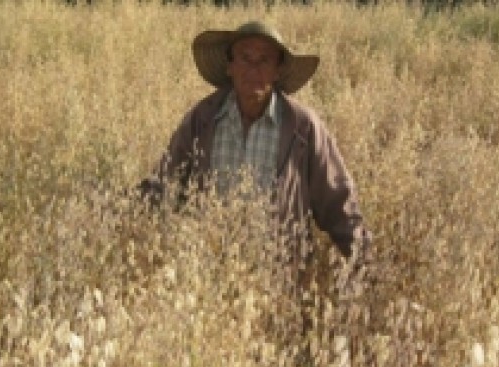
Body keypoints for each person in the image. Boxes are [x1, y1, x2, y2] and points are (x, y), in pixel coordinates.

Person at [140, 21, 371, 278]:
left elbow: (337, 201)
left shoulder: (303, 128)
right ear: (230, 66)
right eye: (245, 58)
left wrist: (363, 261)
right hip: (208, 279)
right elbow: (165, 184)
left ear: (277, 71)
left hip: (279, 283)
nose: (254, 69)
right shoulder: (203, 120)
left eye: (264, 60)